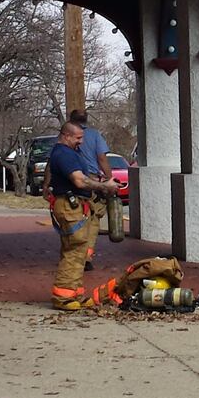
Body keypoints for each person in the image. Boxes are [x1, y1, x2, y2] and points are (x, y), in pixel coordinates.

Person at [47, 121, 119, 311]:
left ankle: (75, 292)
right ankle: (62, 297)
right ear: (67, 135)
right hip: (70, 206)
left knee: (79, 252)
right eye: (78, 138)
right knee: (74, 250)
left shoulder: (69, 153)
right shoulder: (63, 154)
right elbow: (79, 181)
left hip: (76, 206)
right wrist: (105, 186)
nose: (81, 142)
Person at [67, 108, 112, 266]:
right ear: (86, 120)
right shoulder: (94, 135)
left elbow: (52, 161)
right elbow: (102, 158)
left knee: (73, 219)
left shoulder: (64, 137)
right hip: (91, 181)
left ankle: (73, 255)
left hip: (69, 182)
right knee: (92, 219)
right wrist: (109, 179)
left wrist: (46, 185)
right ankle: (86, 257)